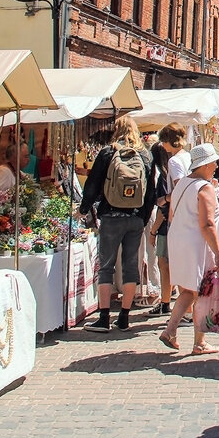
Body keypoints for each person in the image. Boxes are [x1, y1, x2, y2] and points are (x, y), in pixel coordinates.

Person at [80, 115, 155, 333]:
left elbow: (93, 184)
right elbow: (150, 191)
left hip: (111, 216)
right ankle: (124, 317)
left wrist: (85, 208)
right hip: (135, 218)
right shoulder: (145, 155)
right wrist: (143, 216)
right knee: (131, 266)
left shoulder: (107, 152)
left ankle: (103, 318)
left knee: (106, 266)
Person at [159, 144, 219, 354]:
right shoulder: (204, 188)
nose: (216, 166)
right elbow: (207, 224)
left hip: (178, 240)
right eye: (213, 162)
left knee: (190, 290)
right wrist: (218, 252)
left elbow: (172, 215)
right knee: (203, 290)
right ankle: (198, 342)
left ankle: (171, 330)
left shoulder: (183, 184)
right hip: (196, 243)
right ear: (204, 164)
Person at [147, 124, 188, 316]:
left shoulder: (174, 162)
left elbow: (180, 189)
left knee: (169, 265)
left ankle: (180, 310)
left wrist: (165, 199)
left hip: (174, 218)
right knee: (178, 265)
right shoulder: (187, 157)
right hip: (185, 217)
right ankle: (182, 309)